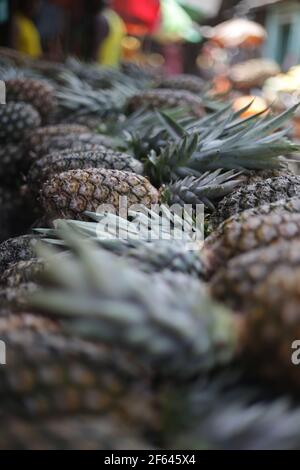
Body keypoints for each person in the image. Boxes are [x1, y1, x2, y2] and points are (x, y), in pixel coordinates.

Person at [88, 0, 126, 67]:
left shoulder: (101, 19)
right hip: (112, 68)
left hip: (99, 69)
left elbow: (96, 46)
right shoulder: (116, 18)